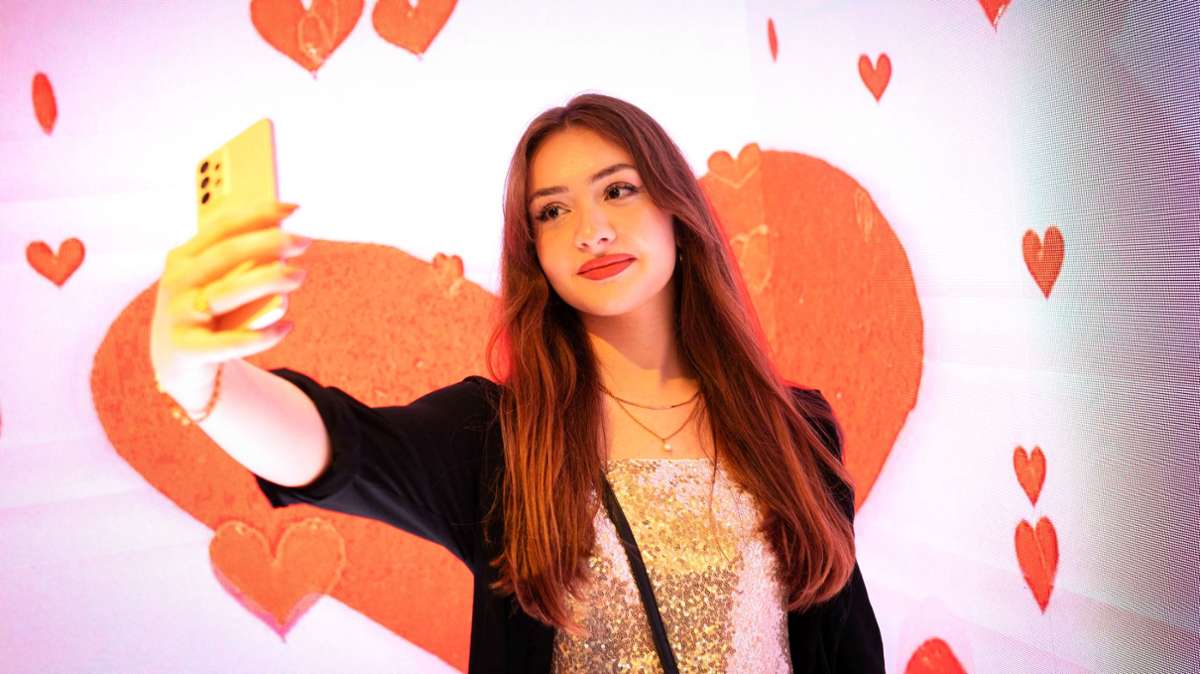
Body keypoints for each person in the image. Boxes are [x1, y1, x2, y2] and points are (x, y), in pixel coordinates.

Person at [149, 93, 884, 673]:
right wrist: (195, 376)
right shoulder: (500, 438)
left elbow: (846, 646)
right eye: (552, 211)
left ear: (677, 211)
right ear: (535, 251)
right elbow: (339, 450)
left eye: (618, 190)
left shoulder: (795, 427)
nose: (591, 230)